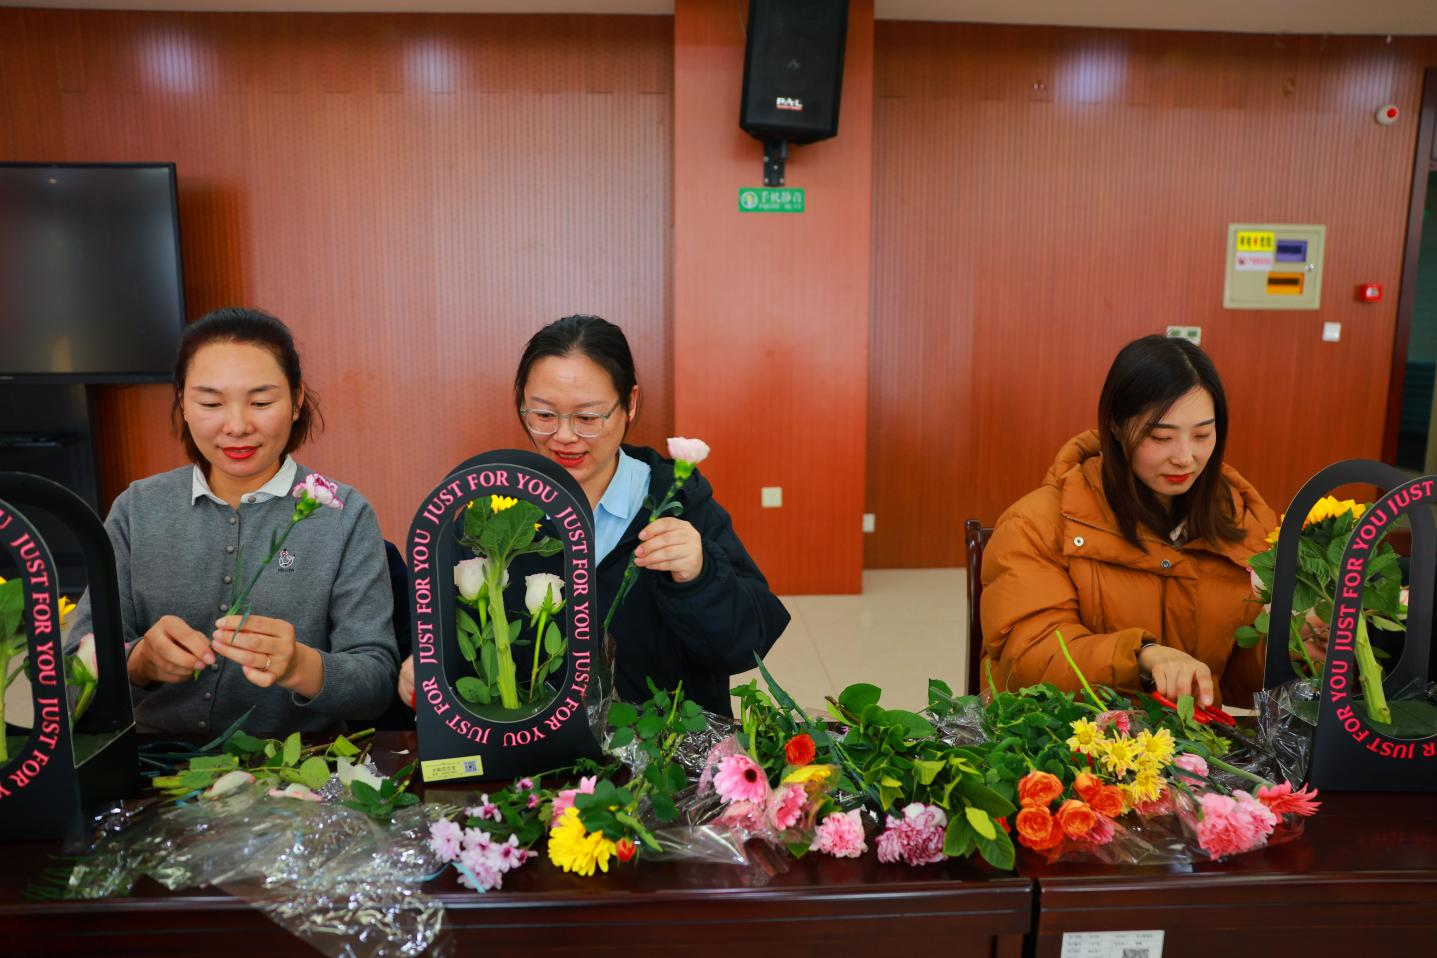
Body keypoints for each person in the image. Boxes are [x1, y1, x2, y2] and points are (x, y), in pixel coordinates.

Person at [398, 314, 788, 717]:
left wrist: (699, 575)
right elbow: (445, 634)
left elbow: (745, 646)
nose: (565, 436)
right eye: (544, 415)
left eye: (587, 418)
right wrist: (421, 665)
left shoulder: (675, 502)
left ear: (629, 404)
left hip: (667, 747)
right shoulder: (492, 514)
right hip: (536, 748)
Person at [68, 307, 397, 734]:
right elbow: (70, 676)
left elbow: (376, 684)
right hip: (153, 762)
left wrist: (300, 666)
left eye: (261, 402)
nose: (237, 426)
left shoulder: (344, 514)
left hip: (300, 763)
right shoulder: (138, 508)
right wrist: (138, 663)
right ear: (183, 404)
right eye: (210, 403)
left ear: (297, 401)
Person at [980, 334, 1277, 708]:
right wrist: (1141, 657)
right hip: (1072, 735)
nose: (1185, 457)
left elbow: (1230, 677)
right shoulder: (1035, 525)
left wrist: (1297, 649)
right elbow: (1029, 660)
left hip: (1187, 741)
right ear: (1116, 426)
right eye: (1161, 437)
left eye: (1202, 434)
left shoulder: (1244, 524)